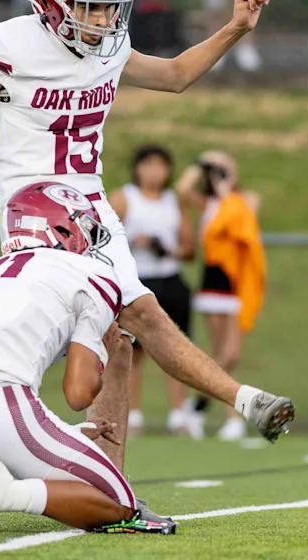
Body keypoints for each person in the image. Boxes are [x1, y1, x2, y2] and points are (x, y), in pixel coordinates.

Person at [0, 0, 293, 464]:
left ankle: (113, 486)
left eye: (109, 7)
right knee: (98, 327)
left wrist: (233, 30)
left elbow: (176, 76)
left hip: (92, 204)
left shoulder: (108, 45)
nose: (102, 19)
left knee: (129, 333)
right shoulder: (10, 45)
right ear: (51, 3)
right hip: (34, 207)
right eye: (89, 6)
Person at [0, 182, 175, 536]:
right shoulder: (92, 275)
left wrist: (62, 434)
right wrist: (105, 353)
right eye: (83, 229)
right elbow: (79, 394)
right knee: (121, 502)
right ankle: (3, 493)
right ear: (63, 228)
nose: (87, 242)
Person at [176, 151, 266, 440]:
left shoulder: (244, 199)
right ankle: (231, 417)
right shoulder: (208, 204)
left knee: (230, 355)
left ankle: (198, 405)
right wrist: (200, 165)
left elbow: (244, 218)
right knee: (219, 353)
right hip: (214, 282)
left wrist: (227, 184)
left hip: (237, 283)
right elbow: (182, 190)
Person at [108, 146, 196, 437]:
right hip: (135, 281)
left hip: (168, 280)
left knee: (174, 348)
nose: (154, 172)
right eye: (148, 165)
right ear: (137, 168)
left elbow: (189, 249)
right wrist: (135, 242)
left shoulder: (173, 202)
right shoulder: (125, 198)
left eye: (161, 166)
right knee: (132, 351)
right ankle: (132, 415)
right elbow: (101, 236)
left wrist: (165, 248)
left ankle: (178, 414)